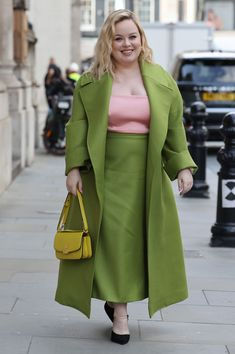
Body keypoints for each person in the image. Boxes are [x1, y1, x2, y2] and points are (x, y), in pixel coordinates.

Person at [55, 9, 198, 345]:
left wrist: (181, 166)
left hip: (146, 174)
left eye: (132, 36)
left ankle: (116, 296)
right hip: (104, 173)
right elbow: (78, 126)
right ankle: (121, 314)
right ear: (108, 41)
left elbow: (174, 127)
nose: (126, 43)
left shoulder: (161, 80)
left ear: (141, 38)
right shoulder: (91, 81)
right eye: (118, 38)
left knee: (138, 245)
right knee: (114, 243)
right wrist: (73, 167)